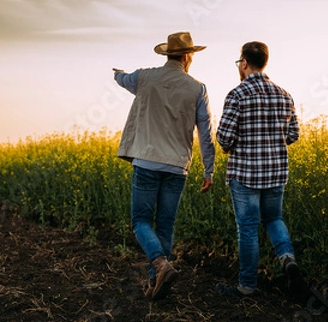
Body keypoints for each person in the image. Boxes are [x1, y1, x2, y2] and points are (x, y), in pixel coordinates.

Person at [113, 32, 215, 300]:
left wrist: (118, 74)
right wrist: (208, 169)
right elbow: (205, 132)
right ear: (185, 56)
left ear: (168, 55)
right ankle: (155, 282)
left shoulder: (145, 77)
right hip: (176, 167)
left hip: (147, 162)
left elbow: (124, 80)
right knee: (165, 225)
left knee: (140, 221)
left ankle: (159, 265)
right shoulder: (197, 88)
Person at [215, 41, 306, 298]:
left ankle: (247, 286)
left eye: (239, 63)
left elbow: (224, 138)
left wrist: (230, 145)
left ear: (244, 63)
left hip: (245, 175)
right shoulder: (284, 94)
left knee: (247, 228)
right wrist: (272, 141)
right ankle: (287, 259)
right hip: (275, 173)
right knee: (274, 219)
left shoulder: (237, 95)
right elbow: (293, 134)